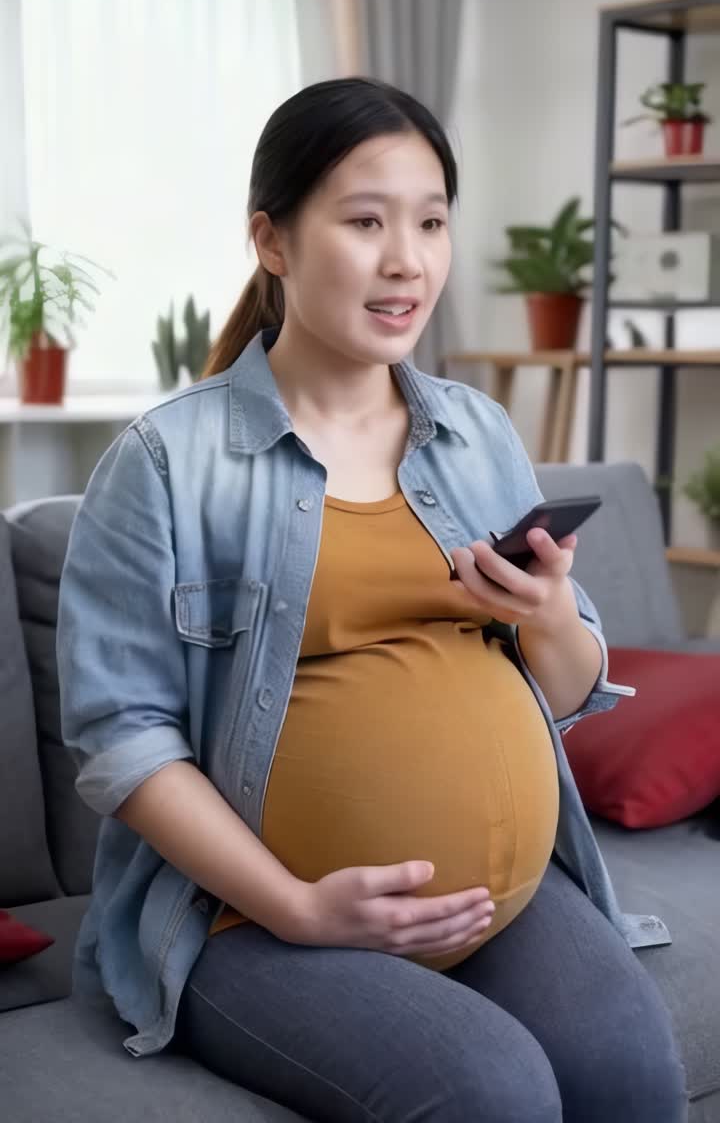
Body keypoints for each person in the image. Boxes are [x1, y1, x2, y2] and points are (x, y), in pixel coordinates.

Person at [58, 77, 687, 1123]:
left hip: (510, 896)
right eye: (365, 221)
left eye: (432, 221)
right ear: (272, 239)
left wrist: (548, 612)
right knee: (494, 1094)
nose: (409, 260)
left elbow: (572, 687)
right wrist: (298, 906)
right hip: (249, 921)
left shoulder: (476, 431)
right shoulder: (165, 461)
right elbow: (124, 740)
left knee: (632, 1076)